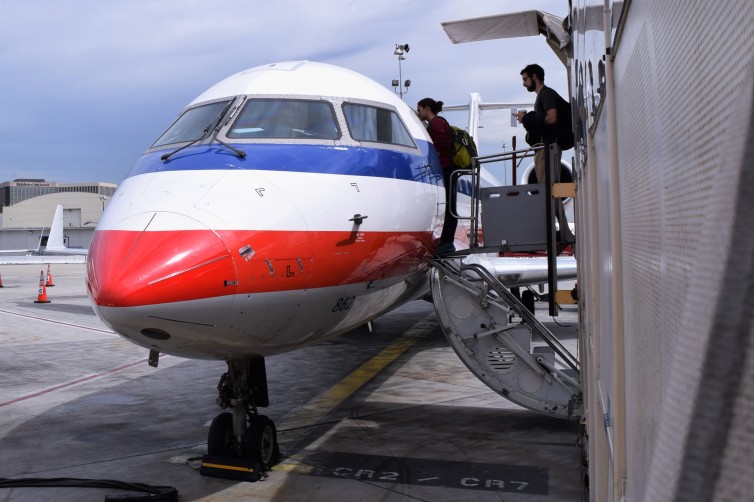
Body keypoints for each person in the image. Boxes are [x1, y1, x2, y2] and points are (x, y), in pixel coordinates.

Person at [516, 64, 575, 244]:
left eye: (525, 79)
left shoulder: (546, 94)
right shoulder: (544, 96)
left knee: (548, 191)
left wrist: (527, 118)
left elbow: (551, 118)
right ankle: (563, 233)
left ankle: (559, 233)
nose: (524, 84)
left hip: (548, 149)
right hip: (547, 149)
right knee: (550, 191)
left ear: (535, 77)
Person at [417, 97, 456, 256]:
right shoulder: (436, 123)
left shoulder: (437, 123)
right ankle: (445, 242)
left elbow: (439, 145)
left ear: (427, 108)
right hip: (444, 168)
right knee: (447, 206)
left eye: (419, 110)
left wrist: (432, 160)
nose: (418, 113)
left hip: (446, 169)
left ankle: (447, 243)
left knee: (448, 207)